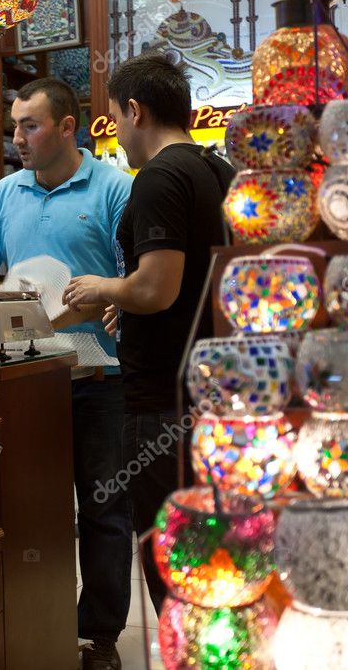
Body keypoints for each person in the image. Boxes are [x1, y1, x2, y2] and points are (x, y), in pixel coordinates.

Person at [0, 79, 133, 670]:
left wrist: (101, 299)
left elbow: (133, 276)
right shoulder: (7, 192)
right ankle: (37, 622)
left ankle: (100, 634)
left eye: (28, 126)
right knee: (32, 506)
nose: (16, 138)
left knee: (104, 510)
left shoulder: (114, 187)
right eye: (13, 125)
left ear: (67, 127)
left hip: (100, 379)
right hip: (28, 380)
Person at [64, 54, 235, 614]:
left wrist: (105, 290)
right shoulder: (214, 169)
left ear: (135, 111)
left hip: (163, 399)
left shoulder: (159, 177)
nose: (117, 130)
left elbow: (158, 288)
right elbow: (185, 288)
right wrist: (131, 304)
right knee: (213, 558)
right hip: (210, 392)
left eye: (114, 115)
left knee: (173, 562)